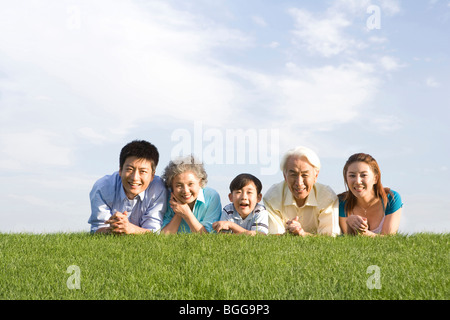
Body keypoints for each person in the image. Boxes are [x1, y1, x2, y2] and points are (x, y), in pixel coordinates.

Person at [88, 140, 168, 234]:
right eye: (130, 169)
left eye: (142, 171)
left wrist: (131, 229)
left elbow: (153, 231)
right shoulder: (102, 187)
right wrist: (114, 228)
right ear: (120, 170)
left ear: (152, 175)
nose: (135, 178)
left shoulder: (159, 189)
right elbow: (97, 229)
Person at [263, 146, 340, 236]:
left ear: (316, 176)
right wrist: (289, 234)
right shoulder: (273, 196)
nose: (299, 183)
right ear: (285, 176)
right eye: (293, 174)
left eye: (305, 175)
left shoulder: (327, 196)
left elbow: (329, 238)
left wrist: (302, 233)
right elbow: (273, 236)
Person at [338, 153, 403, 236]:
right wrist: (349, 222)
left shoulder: (392, 198)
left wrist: (364, 233)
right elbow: (348, 240)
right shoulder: (342, 202)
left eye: (363, 175)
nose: (357, 181)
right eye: (352, 175)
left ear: (375, 178)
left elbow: (388, 240)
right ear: (346, 178)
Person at [160, 155, 221, 234]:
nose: (185, 191)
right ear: (171, 186)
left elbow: (208, 238)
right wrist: (179, 213)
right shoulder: (167, 198)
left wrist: (186, 214)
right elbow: (163, 238)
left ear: (200, 182)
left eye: (190, 184)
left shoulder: (212, 196)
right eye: (179, 185)